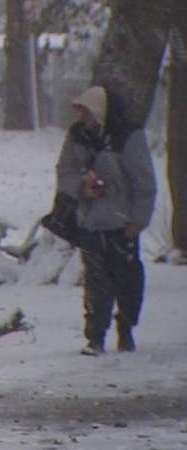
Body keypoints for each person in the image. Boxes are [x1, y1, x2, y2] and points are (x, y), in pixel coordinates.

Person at [55, 85, 156, 355]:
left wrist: (137, 220)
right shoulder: (78, 136)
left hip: (123, 225)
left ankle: (126, 328)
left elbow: (143, 181)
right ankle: (95, 336)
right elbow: (65, 171)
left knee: (126, 279)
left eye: (87, 111)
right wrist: (81, 187)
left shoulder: (128, 137)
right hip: (90, 221)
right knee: (96, 280)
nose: (82, 117)